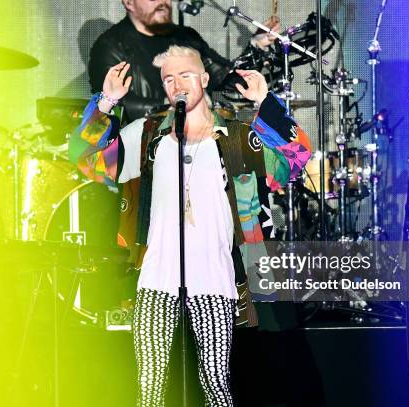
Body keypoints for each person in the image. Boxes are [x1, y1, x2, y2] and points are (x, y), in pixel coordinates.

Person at [69, 45, 311, 406]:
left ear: (204, 79)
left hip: (214, 279)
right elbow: (87, 160)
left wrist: (266, 104)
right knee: (149, 388)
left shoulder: (236, 138)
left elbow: (296, 160)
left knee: (216, 384)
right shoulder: (148, 136)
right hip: (156, 280)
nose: (176, 84)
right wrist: (104, 103)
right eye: (168, 78)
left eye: (184, 75)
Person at [88, 0, 279, 122]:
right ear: (129, 2)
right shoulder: (110, 45)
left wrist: (256, 46)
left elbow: (223, 81)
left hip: (198, 138)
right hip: (143, 146)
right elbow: (110, 104)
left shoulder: (186, 36)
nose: (163, 3)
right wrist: (171, 104)